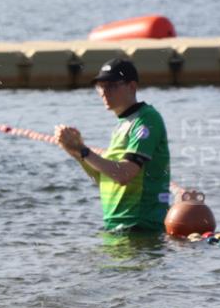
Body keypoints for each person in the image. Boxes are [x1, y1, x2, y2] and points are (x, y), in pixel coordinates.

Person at [55, 58, 170, 232]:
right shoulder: (122, 124)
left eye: (112, 86)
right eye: (100, 86)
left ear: (132, 87)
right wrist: (75, 152)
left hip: (140, 226)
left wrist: (84, 151)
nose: (104, 92)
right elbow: (102, 178)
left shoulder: (146, 120)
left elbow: (124, 174)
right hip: (116, 227)